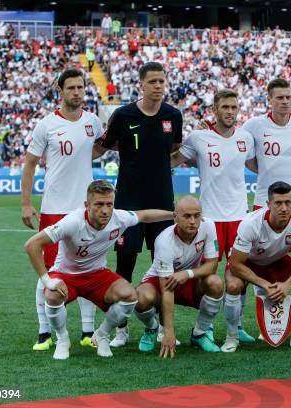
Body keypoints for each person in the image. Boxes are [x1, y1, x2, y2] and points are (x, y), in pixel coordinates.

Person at [23, 180, 174, 360]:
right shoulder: (72, 222)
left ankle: (101, 334)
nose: (105, 210)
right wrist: (47, 280)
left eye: (109, 204)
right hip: (67, 275)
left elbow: (144, 216)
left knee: (129, 296)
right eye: (99, 204)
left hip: (97, 275)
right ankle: (63, 339)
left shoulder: (119, 218)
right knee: (52, 295)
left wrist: (174, 214)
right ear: (87, 205)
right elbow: (32, 244)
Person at [95, 61, 183, 347]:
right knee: (125, 263)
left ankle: (161, 327)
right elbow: (103, 145)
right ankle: (121, 328)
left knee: (163, 265)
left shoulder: (173, 115)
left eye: (162, 81)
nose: (158, 86)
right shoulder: (122, 115)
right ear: (141, 84)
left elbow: (174, 149)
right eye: (153, 82)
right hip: (128, 204)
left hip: (162, 202)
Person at [21, 68, 103, 352]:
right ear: (61, 90)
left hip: (86, 210)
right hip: (55, 208)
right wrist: (26, 202)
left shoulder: (93, 122)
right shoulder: (46, 125)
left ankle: (88, 331)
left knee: (88, 268)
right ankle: (45, 332)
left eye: (80, 87)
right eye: (71, 88)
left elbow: (102, 147)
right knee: (49, 269)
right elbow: (30, 163)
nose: (77, 92)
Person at [171, 89, 256, 344]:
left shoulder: (246, 138)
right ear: (215, 110)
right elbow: (176, 159)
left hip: (240, 216)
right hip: (209, 219)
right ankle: (202, 328)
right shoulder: (198, 137)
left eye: (234, 107)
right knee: (205, 276)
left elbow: (255, 165)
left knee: (240, 275)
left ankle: (237, 325)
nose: (230, 112)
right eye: (225, 107)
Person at [223, 181, 291, 352]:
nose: (284, 208)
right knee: (233, 285)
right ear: (268, 204)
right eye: (278, 203)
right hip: (248, 264)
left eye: (288, 202)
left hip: (277, 261)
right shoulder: (251, 223)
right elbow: (236, 264)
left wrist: (288, 284)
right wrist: (265, 285)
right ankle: (232, 337)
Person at [135, 196, 224, 357]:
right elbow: (167, 288)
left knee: (216, 283)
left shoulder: (208, 226)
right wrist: (168, 332)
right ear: (175, 217)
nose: (192, 221)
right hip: (162, 282)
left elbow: (212, 265)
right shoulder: (164, 241)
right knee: (140, 298)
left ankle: (200, 334)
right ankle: (152, 328)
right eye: (187, 216)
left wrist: (187, 273)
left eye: (197, 215)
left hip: (189, 280)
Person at [242, 79, 291, 212]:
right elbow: (242, 153)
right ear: (269, 99)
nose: (285, 101)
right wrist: (264, 168)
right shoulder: (253, 125)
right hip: (265, 200)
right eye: (280, 97)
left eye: (288, 97)